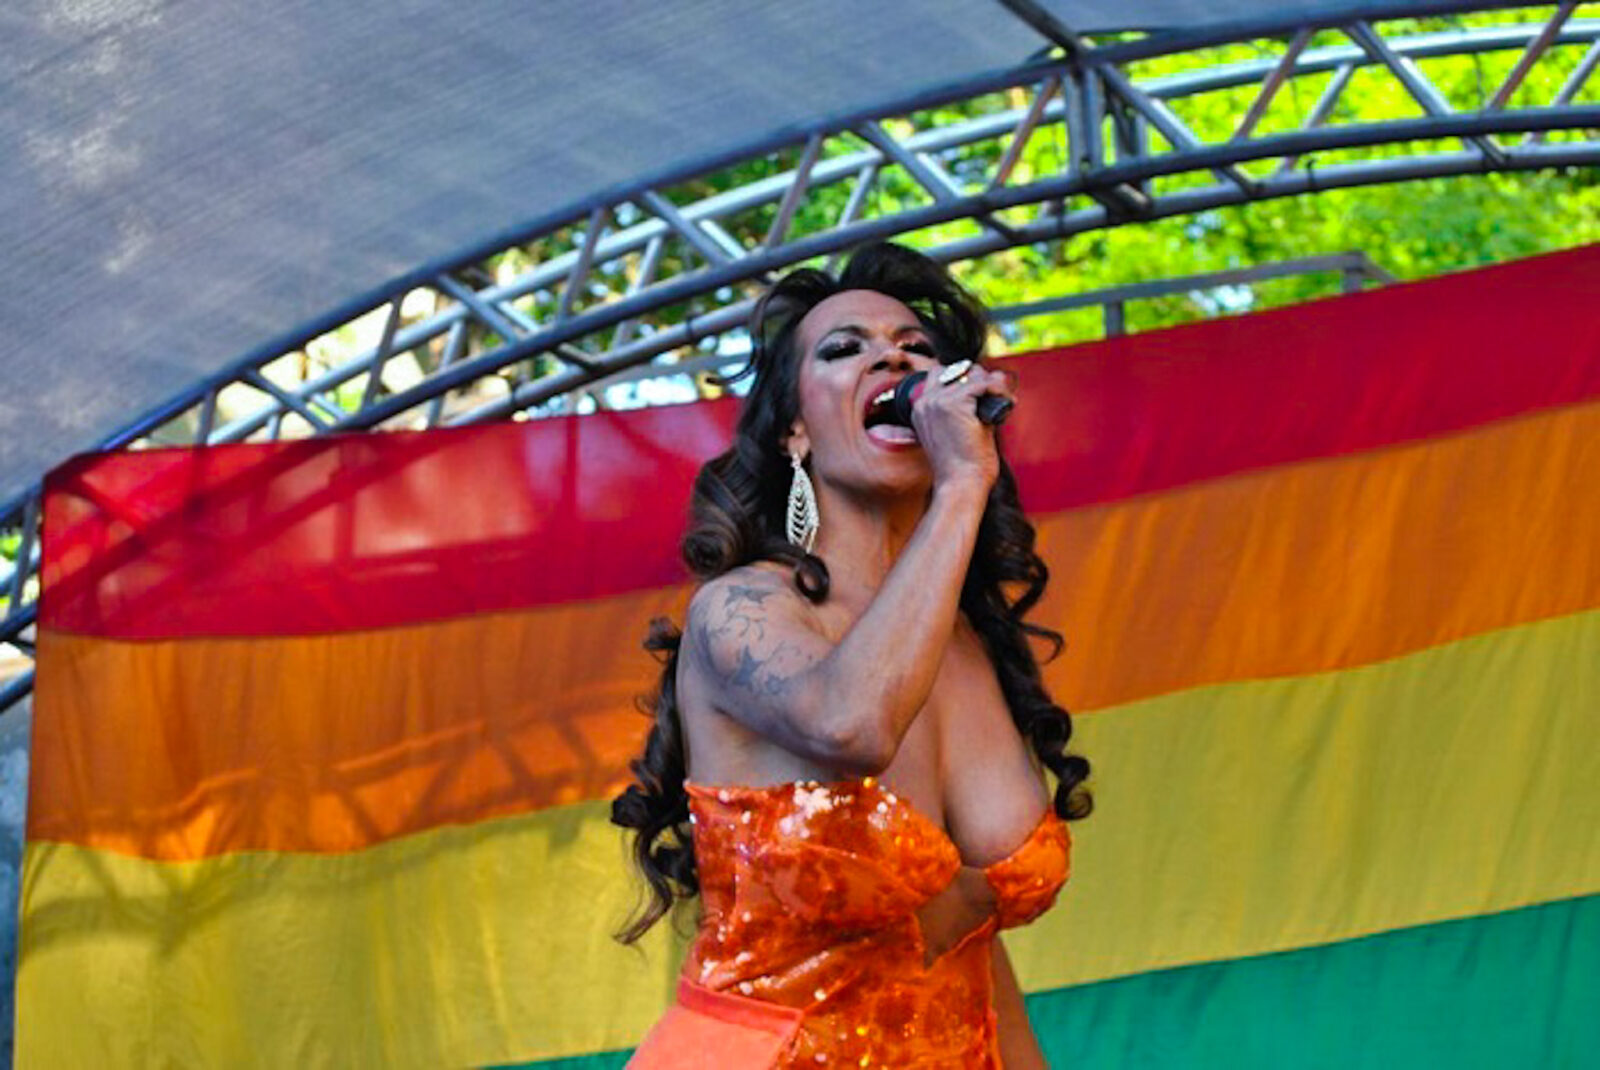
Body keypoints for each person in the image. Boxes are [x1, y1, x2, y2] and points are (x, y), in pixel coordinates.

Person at [612, 242, 1092, 1068]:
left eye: (916, 349)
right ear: (795, 429)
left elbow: (969, 943)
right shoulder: (741, 611)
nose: (893, 359)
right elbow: (854, 725)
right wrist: (961, 487)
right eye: (846, 349)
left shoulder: (966, 644)